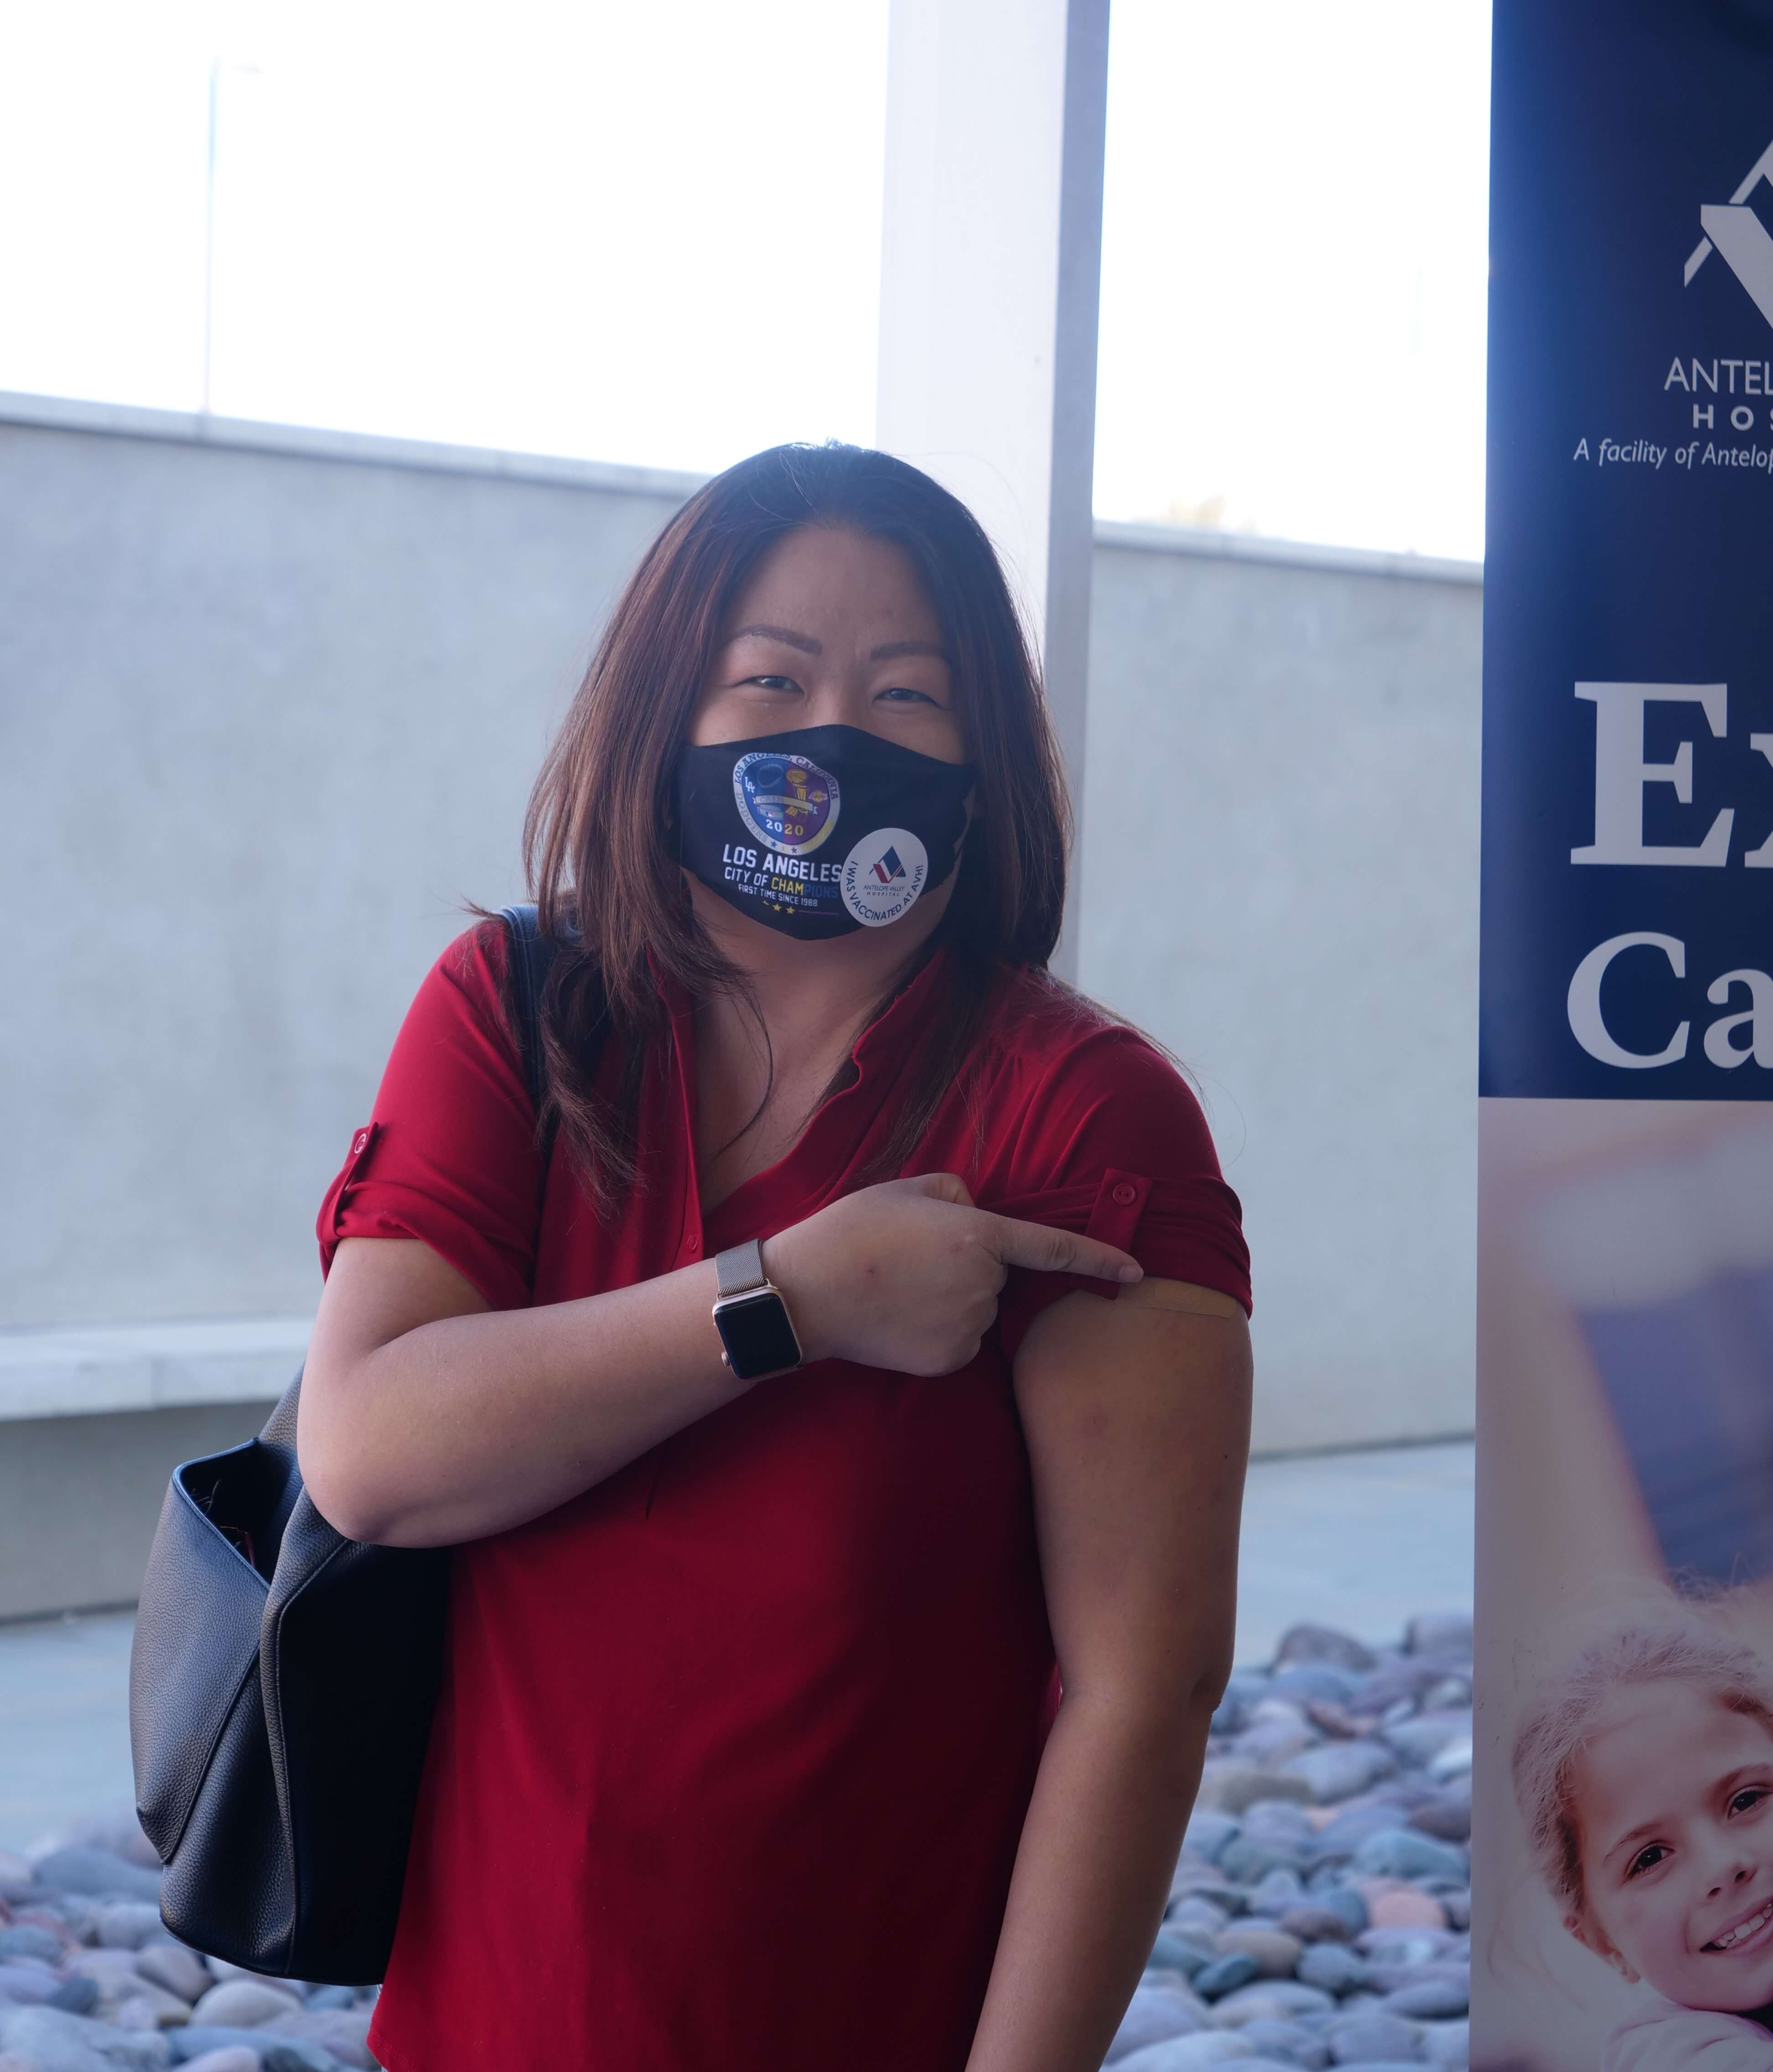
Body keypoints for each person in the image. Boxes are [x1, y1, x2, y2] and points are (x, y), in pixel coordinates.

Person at [296, 441, 1253, 2072]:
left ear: (984, 755)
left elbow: (1141, 1696)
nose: (833, 735)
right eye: (771, 678)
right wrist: (790, 1298)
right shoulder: (517, 1017)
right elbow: (370, 1453)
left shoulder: (1085, 1116)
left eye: (907, 693)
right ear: (664, 708)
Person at [1513, 1618, 1773, 2069]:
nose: (1722, 1864)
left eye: (1746, 1800)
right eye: (1649, 1858)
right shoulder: (1672, 2054)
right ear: (1600, 1941)